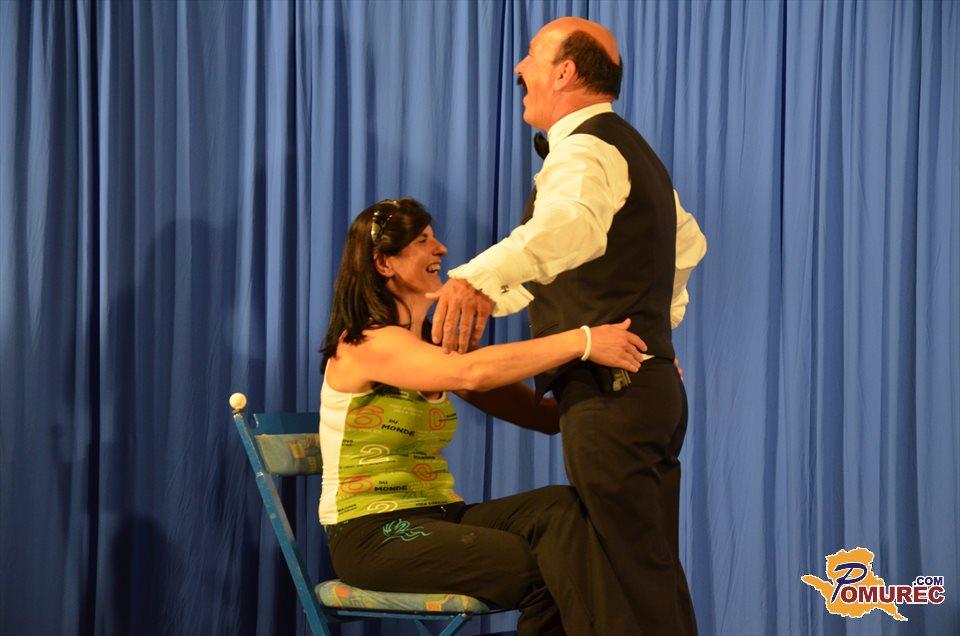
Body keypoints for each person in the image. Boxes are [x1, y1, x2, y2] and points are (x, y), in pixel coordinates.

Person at [429, 17, 706, 635]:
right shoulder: (630, 150)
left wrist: (476, 279)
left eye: (532, 55)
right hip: (646, 393)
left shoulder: (584, 148)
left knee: (628, 583)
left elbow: (569, 229)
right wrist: (654, 334)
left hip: (612, 398)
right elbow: (685, 244)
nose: (519, 67)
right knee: (645, 571)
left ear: (565, 72)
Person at [319, 197, 650, 635]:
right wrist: (583, 341)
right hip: (371, 535)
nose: (441, 249)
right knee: (544, 569)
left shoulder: (432, 352)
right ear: (384, 263)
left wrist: (632, 379)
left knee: (561, 509)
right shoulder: (364, 344)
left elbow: (544, 417)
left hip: (440, 515)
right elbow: (471, 372)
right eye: (422, 240)